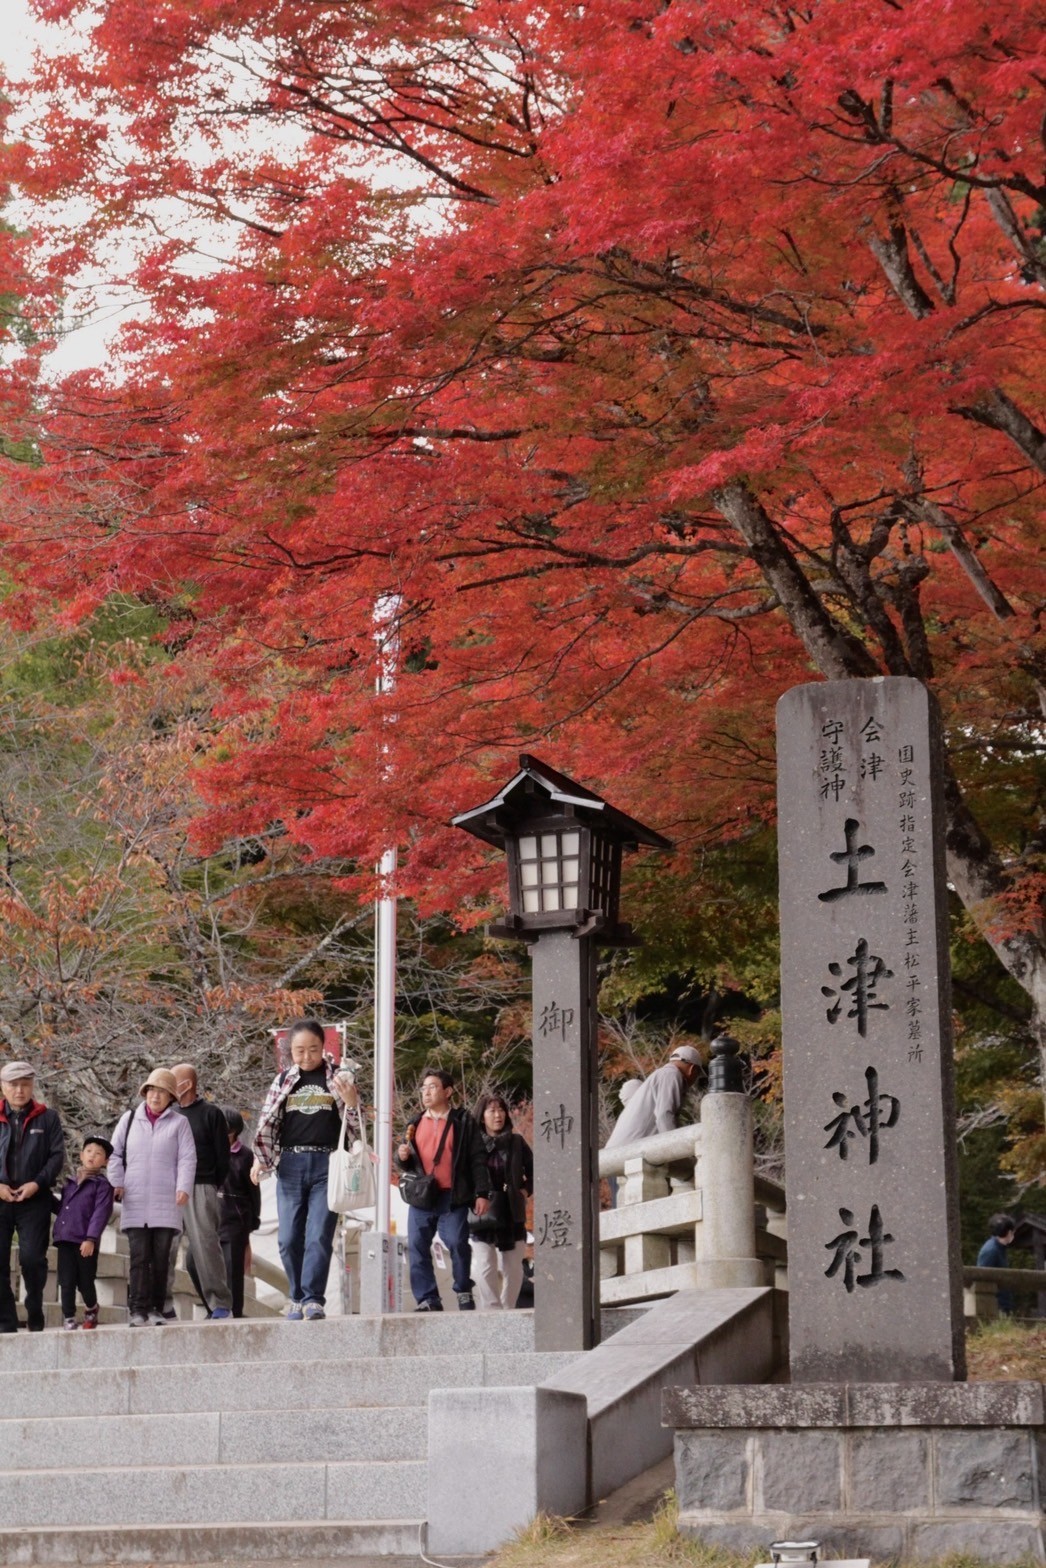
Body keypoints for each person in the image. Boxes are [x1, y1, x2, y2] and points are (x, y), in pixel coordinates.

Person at [251, 1018, 360, 1320]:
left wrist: (351, 1100)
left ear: (323, 1048)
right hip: (290, 1164)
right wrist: (259, 1158)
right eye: (300, 1050)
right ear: (290, 1051)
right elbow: (267, 1122)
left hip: (328, 1165)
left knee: (318, 1235)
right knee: (287, 1239)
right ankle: (296, 1295)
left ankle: (313, 1298)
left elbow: (356, 1125)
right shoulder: (283, 1079)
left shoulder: (338, 1078)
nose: (307, 1056)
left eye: (313, 1049)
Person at [396, 1068, 490, 1312]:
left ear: (447, 1091)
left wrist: (482, 1192)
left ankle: (462, 1290)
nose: (426, 1092)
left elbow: (477, 1157)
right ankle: (428, 1299)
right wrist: (402, 1156)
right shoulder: (415, 1122)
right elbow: (407, 1163)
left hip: (453, 1195)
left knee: (457, 1242)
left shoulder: (463, 1120)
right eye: (423, 1088)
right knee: (417, 1245)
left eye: (432, 1087)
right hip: (422, 1197)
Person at [109, 1068, 196, 1327]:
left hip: (166, 1199)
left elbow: (187, 1158)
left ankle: (157, 1308)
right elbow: (114, 1153)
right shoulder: (129, 1119)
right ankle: (137, 1309)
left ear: (171, 1097)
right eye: (151, 1090)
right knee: (138, 1257)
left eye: (162, 1092)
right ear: (145, 1092)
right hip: (135, 1198)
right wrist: (116, 1182)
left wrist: (184, 1187)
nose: (155, 1096)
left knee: (161, 1258)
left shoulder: (180, 1123)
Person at [0, 1060, 65, 1333]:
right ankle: (6, 1321)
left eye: (25, 1085)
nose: (19, 1090)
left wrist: (37, 1184)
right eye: (13, 1085)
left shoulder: (47, 1118)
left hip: (34, 1199)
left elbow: (56, 1156)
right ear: (3, 1087)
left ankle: (35, 1308)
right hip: (0, 1197)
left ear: (32, 1087)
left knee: (32, 1259)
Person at [165, 1063, 233, 1321]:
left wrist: (211, 1185)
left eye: (175, 1080)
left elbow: (222, 1156)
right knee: (165, 1247)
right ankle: (163, 1304)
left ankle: (219, 1303)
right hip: (170, 1188)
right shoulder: (168, 1114)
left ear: (188, 1084)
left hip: (201, 1185)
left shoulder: (211, 1113)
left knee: (205, 1245)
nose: (171, 1086)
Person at [470, 1093, 533, 1311]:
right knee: (485, 1266)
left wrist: (525, 1191)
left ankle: (508, 1310)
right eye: (492, 1110)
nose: (498, 1115)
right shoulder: (472, 1145)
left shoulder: (516, 1142)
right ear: (482, 1116)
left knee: (514, 1268)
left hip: (511, 1210)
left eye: (501, 1110)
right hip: (482, 1210)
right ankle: (492, 1310)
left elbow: (534, 1170)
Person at [52, 1135, 115, 1330]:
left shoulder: (103, 1186)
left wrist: (91, 1238)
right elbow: (63, 1208)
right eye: (89, 1151)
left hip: (85, 1241)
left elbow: (100, 1214)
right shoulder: (69, 1183)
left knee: (85, 1280)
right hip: (65, 1239)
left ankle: (91, 1308)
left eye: (98, 1154)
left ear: (105, 1161)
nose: (92, 1156)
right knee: (66, 1280)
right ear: (81, 1155)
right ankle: (69, 1316)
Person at [605, 1045, 702, 1148]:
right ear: (693, 1069)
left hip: (613, 1153)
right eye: (697, 1074)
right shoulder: (671, 1074)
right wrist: (677, 1149)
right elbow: (665, 1115)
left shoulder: (660, 1076)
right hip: (627, 1153)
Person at [219, 1107, 261, 1318]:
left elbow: (254, 1190)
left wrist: (253, 1220)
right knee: (194, 1262)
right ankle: (215, 1307)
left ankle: (235, 1311)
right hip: (213, 1216)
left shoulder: (245, 1155)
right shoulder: (210, 1151)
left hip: (237, 1218)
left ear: (234, 1131)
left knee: (234, 1268)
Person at [977, 1212, 1018, 1316]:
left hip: (1001, 1302)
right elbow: (982, 1277)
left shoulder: (999, 1248)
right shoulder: (991, 1250)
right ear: (1009, 1232)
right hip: (995, 1305)